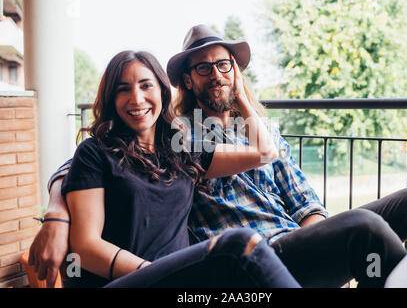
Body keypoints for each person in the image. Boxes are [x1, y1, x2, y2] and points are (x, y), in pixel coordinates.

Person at [32, 25, 407, 288]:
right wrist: (56, 212)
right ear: (185, 82)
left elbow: (302, 198)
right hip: (252, 253)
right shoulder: (179, 135)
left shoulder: (259, 134)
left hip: (296, 244)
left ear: (237, 70)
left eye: (224, 64)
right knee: (363, 228)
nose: (215, 74)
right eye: (203, 68)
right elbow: (86, 163)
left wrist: (322, 239)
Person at [30, 49, 301, 288]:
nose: (136, 98)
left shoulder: (181, 149)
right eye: (123, 89)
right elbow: (85, 247)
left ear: (162, 90)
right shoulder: (96, 152)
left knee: (344, 225)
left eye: (146, 85)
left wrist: (240, 95)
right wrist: (56, 213)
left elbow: (265, 152)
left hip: (176, 278)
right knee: (240, 244)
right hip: (127, 280)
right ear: (111, 98)